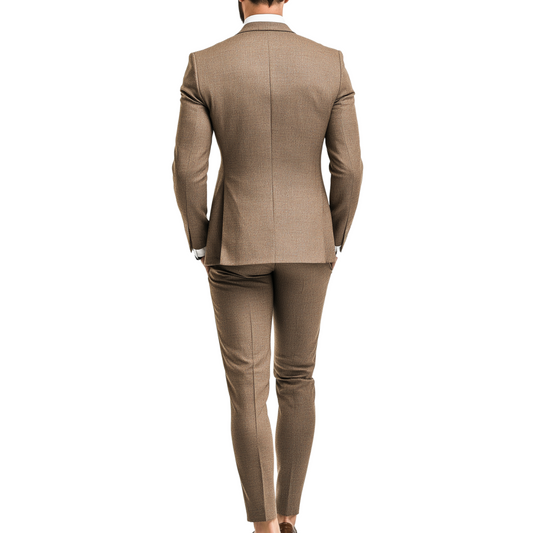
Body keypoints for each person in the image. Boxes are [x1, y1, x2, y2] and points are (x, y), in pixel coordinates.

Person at [172, 1, 363, 531]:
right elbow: (349, 167)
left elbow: (188, 169)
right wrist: (332, 236)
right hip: (310, 244)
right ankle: (289, 517)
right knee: (297, 378)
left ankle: (262, 528)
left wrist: (200, 241)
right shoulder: (329, 63)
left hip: (236, 243)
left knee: (248, 390)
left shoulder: (206, 64)